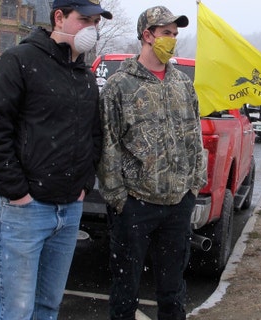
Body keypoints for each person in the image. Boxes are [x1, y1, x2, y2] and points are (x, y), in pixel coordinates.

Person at [0, 0, 111, 318]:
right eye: (84, 20)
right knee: (15, 310)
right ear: (59, 18)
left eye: (96, 22)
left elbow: (93, 135)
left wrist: (84, 184)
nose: (92, 29)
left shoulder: (84, 76)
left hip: (69, 210)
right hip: (25, 211)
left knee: (48, 306)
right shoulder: (20, 60)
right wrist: (18, 192)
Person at [97, 6, 207, 320]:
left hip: (177, 205)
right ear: (147, 35)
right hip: (135, 206)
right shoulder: (120, 86)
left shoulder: (183, 85)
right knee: (124, 295)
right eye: (166, 33)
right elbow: (108, 146)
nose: (172, 39)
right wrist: (119, 199)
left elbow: (193, 139)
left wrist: (193, 186)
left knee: (173, 296)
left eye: (175, 34)